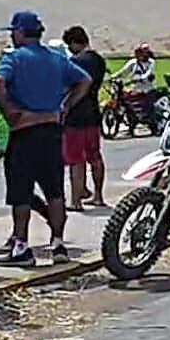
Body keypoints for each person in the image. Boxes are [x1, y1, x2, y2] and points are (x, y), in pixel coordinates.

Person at [0, 11, 92, 267]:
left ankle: (22, 247)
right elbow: (84, 81)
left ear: (20, 32)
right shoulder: (56, 58)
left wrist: (8, 111)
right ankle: (58, 243)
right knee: (55, 191)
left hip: (24, 131)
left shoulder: (13, 58)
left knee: (21, 194)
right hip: (51, 130)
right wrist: (65, 106)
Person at [62, 26, 109, 209]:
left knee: (76, 159)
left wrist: (67, 106)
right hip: (93, 112)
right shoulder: (98, 60)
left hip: (76, 115)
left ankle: (76, 200)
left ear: (74, 42)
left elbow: (72, 87)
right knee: (95, 156)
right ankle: (98, 195)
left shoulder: (76, 61)